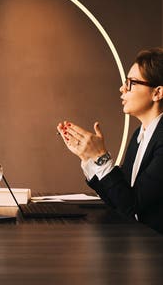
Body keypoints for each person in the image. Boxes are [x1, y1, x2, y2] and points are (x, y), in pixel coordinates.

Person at [57, 47, 163, 234]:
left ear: (157, 93)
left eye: (131, 83)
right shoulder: (141, 134)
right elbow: (119, 199)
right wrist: (88, 158)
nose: (122, 89)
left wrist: (101, 157)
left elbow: (132, 206)